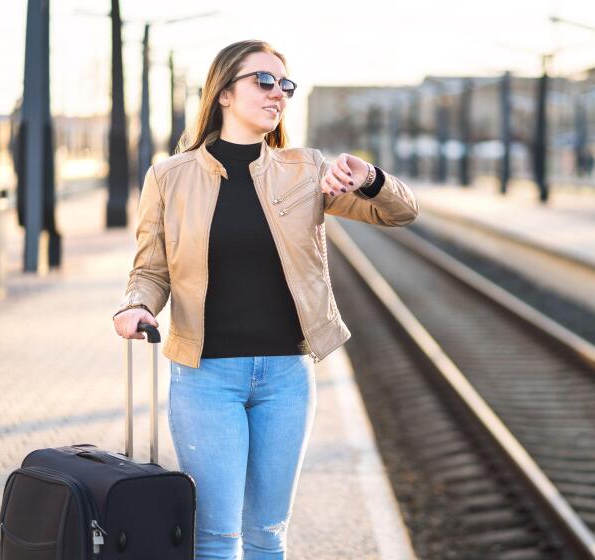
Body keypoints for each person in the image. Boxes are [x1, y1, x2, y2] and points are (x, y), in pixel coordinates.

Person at [112, 39, 419, 559]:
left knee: (267, 535)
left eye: (286, 84)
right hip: (205, 377)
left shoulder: (305, 171)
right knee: (214, 537)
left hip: (286, 377)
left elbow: (399, 213)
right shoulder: (170, 177)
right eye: (264, 80)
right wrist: (135, 305)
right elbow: (150, 268)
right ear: (224, 92)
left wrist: (367, 178)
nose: (278, 93)